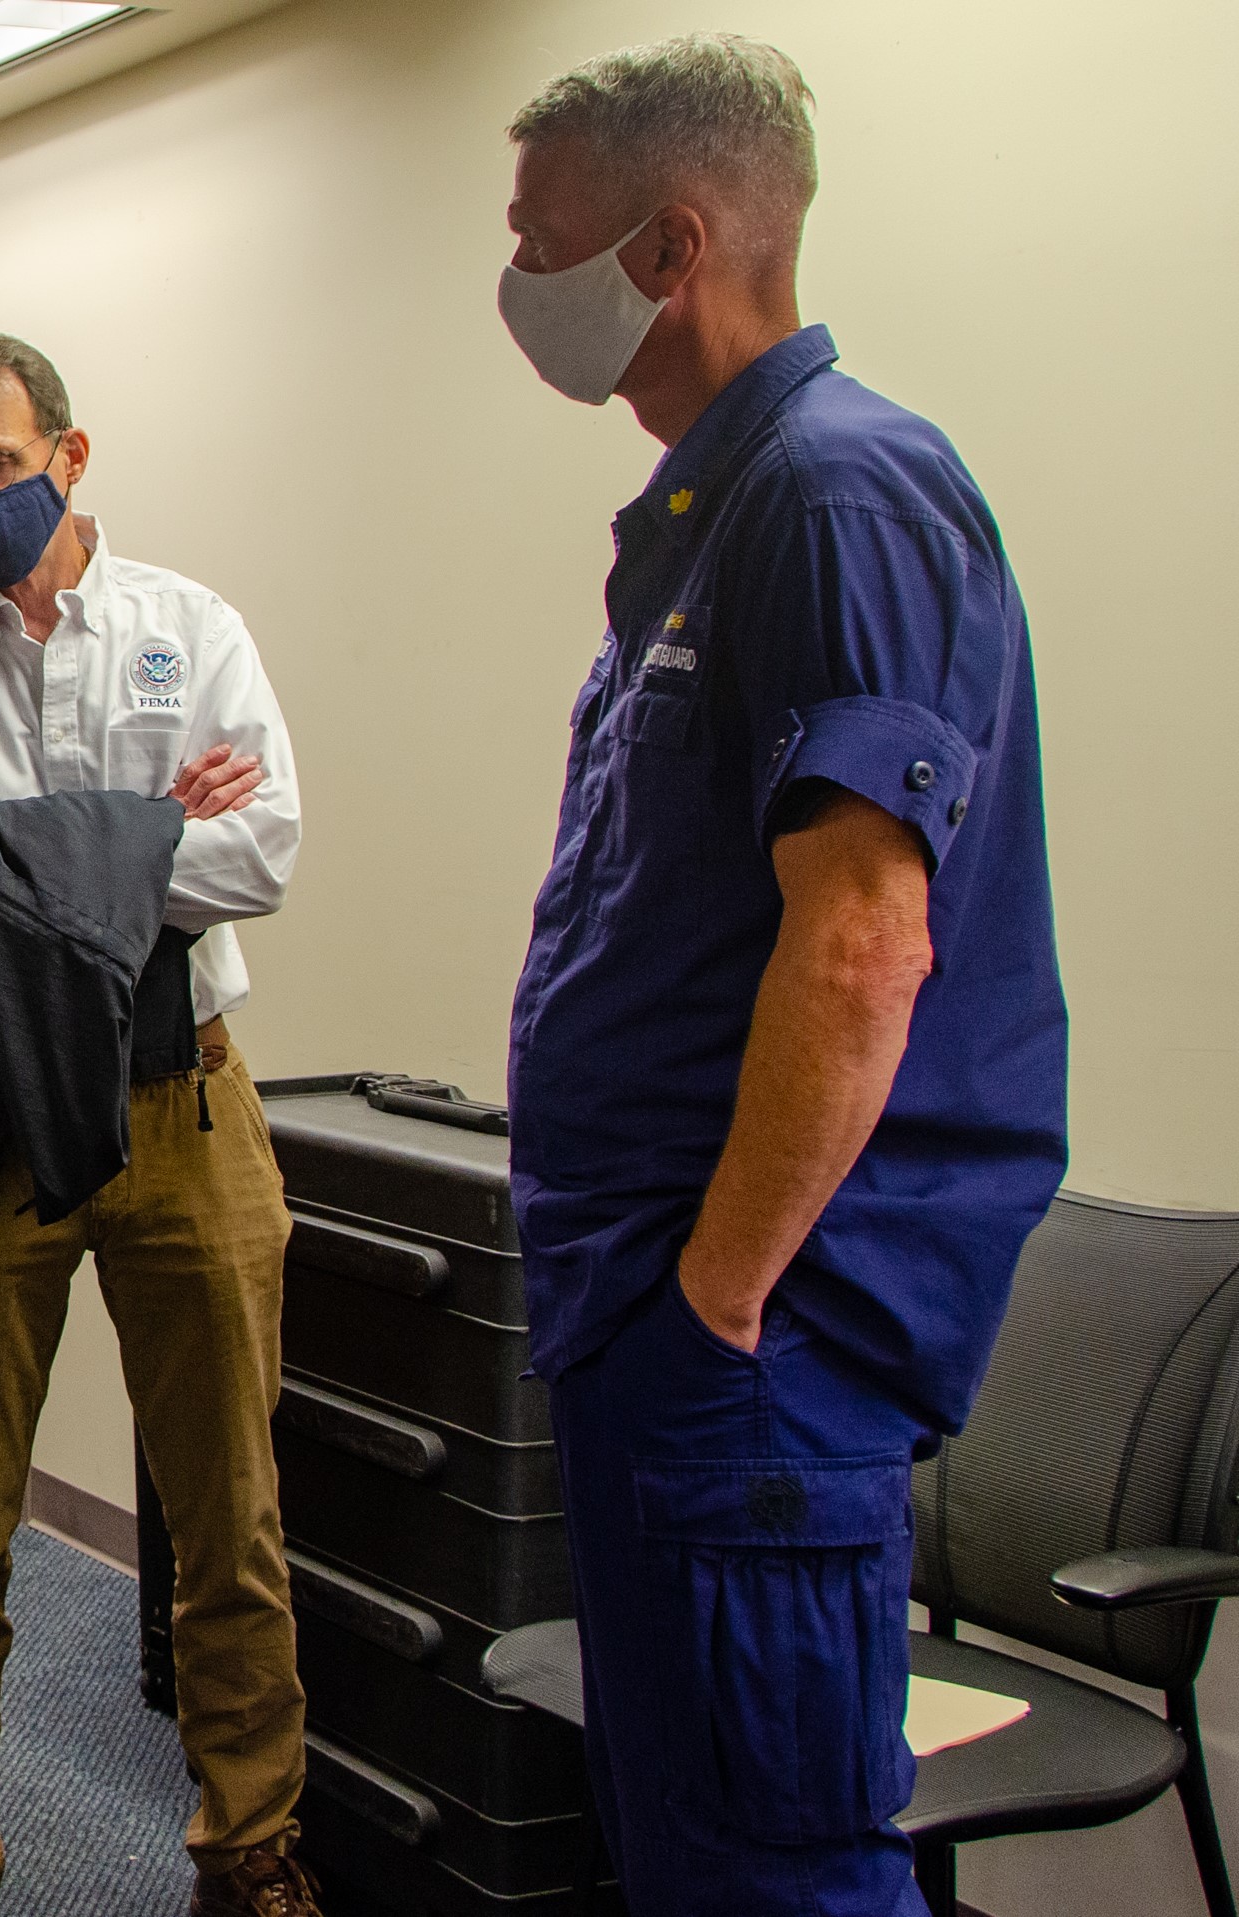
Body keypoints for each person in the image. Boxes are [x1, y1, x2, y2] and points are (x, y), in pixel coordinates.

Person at [497, 36, 1066, 1916]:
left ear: (671, 246)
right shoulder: (709, 515)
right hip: (668, 1321)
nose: (515, 278)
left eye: (539, 238)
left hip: (760, 1347)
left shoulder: (839, 493)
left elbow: (863, 943)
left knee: (775, 1876)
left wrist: (717, 1303)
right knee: (690, 1855)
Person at [0, 333, 316, 1917]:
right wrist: (139, 838)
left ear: (70, 451)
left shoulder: (191, 624)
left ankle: (251, 1846)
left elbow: (261, 857)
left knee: (229, 1512)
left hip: (182, 1093)